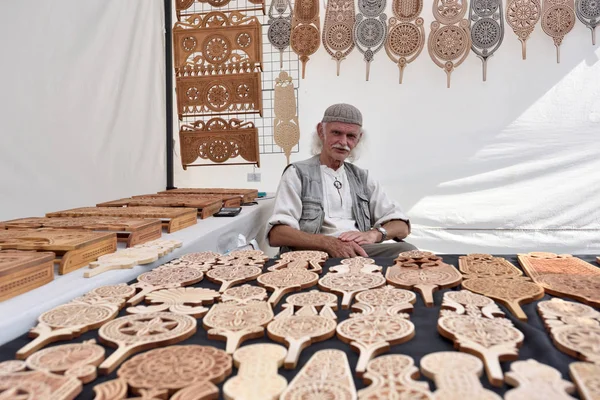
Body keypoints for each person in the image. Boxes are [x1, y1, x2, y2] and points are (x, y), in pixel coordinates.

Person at [267, 103, 417, 258]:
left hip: (358, 251)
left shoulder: (363, 178)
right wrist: (327, 243)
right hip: (312, 254)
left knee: (409, 253)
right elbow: (277, 234)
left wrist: (374, 235)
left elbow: (402, 226)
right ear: (321, 131)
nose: (343, 142)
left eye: (351, 136)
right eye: (336, 133)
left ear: (359, 139)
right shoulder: (297, 173)